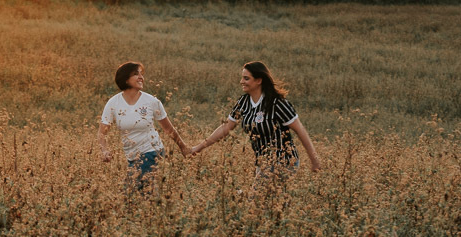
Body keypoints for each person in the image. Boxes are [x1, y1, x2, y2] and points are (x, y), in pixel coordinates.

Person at [192, 61, 321, 186]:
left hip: (283, 162)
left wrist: (314, 160)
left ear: (259, 80)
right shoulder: (243, 102)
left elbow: (300, 130)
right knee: (268, 200)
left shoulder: (277, 103)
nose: (241, 81)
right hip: (262, 163)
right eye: (242, 78)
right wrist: (197, 148)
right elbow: (226, 127)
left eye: (246, 78)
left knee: (255, 199)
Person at [98, 61, 191, 191]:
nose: (141, 77)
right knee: (145, 196)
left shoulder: (151, 101)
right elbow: (102, 132)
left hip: (152, 152)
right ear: (125, 79)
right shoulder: (113, 103)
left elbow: (168, 129)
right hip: (132, 157)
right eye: (136, 74)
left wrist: (183, 148)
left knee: (130, 194)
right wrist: (104, 150)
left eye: (141, 74)